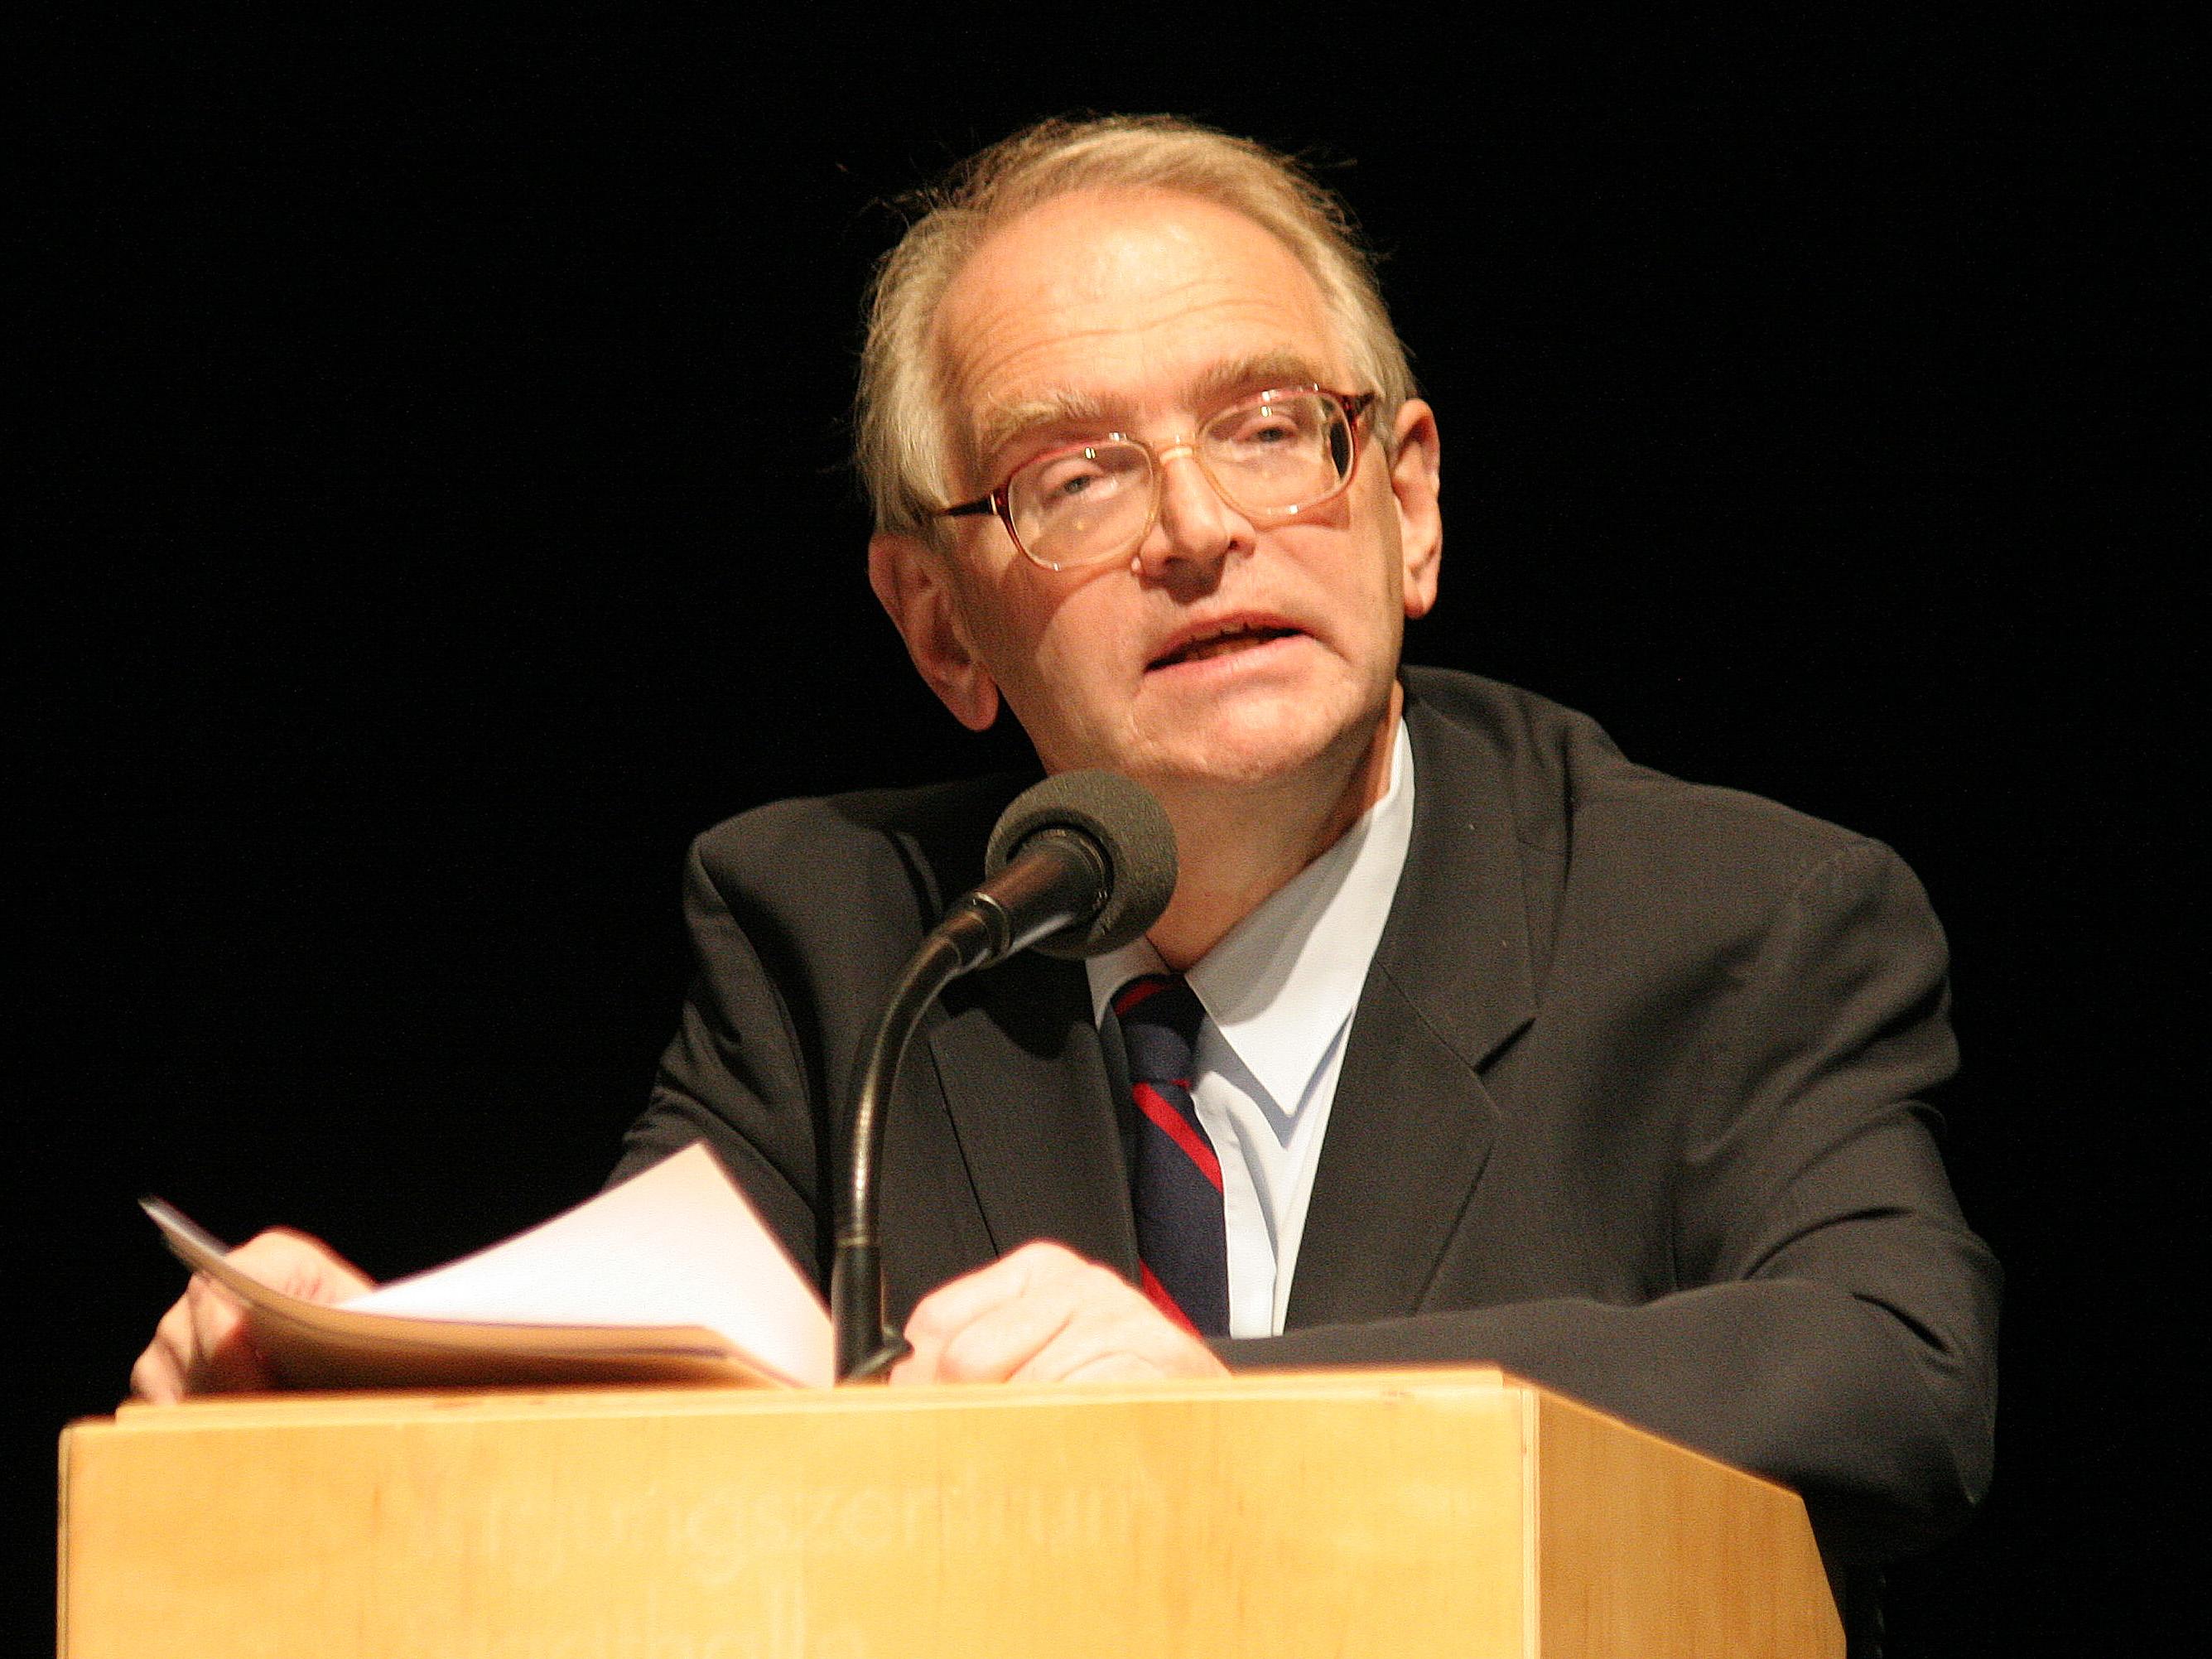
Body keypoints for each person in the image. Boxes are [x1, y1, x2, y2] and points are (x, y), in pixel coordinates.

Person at [133, 115, 1998, 1632]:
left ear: (1409, 503)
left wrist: (1213, 1402)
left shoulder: (1726, 918)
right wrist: (357, 1384)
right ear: (941, 625)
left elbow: (1892, 1366)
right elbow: (668, 1390)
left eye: (1270, 428)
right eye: (1077, 476)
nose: (1200, 526)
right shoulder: (850, 945)